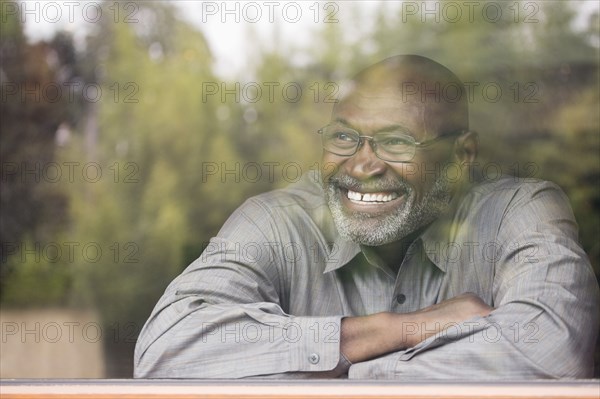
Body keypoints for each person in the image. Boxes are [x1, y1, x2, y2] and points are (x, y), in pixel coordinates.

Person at [134, 55, 599, 379]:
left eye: (395, 142)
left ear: (462, 156)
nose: (362, 165)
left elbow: (551, 351)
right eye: (343, 138)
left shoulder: (519, 211)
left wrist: (344, 374)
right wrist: (394, 330)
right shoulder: (275, 222)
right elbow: (166, 353)